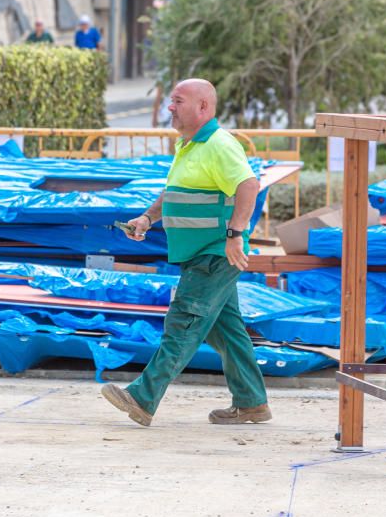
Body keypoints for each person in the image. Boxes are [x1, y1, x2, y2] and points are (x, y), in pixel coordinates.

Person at [101, 79, 270, 427]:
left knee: (184, 320)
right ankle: (252, 402)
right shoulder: (189, 145)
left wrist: (235, 235)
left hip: (214, 254)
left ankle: (143, 397)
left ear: (203, 107)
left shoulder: (219, 144)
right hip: (199, 253)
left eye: (178, 101)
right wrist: (148, 217)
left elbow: (249, 186)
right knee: (226, 330)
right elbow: (175, 192)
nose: (170, 108)